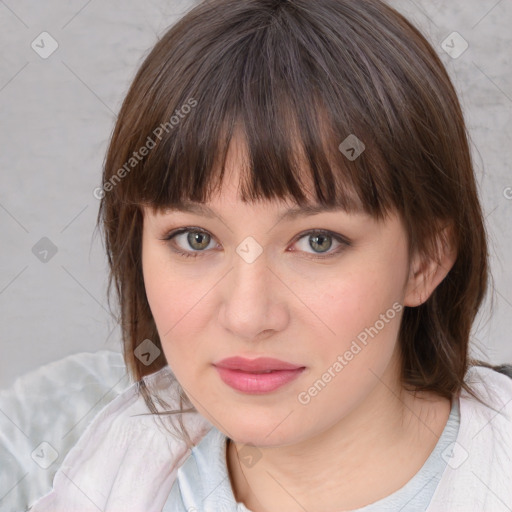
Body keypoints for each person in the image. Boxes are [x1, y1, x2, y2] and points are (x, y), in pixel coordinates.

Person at [27, 0, 512, 510]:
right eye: (195, 238)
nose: (248, 316)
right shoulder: (106, 477)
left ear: (425, 260)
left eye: (317, 241)